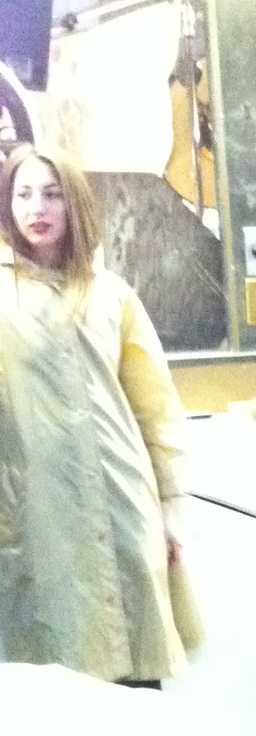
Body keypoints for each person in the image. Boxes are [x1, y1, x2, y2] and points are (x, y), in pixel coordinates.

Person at [0, 143, 199, 681]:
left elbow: (154, 410)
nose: (37, 208)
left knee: (135, 665)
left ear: (74, 205)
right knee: (49, 672)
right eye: (23, 195)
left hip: (121, 502)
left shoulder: (111, 295)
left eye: (51, 194)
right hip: (35, 513)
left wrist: (170, 510)